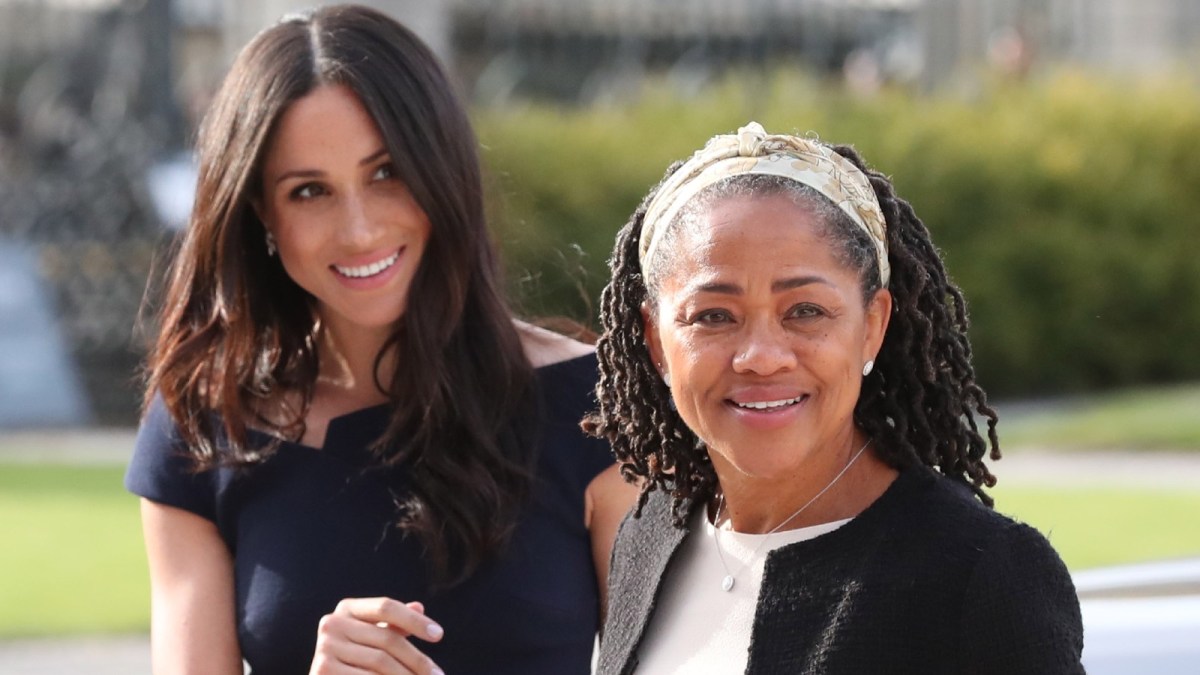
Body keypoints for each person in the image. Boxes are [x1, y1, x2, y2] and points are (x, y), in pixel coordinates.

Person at [125, 5, 635, 674]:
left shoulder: (600, 410)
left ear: (442, 169)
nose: (359, 229)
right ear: (261, 215)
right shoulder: (204, 420)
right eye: (310, 191)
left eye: (387, 172)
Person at [584, 122, 1085, 674]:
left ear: (873, 326)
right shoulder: (647, 536)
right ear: (656, 341)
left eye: (806, 311)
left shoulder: (978, 575)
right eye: (713, 316)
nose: (762, 356)